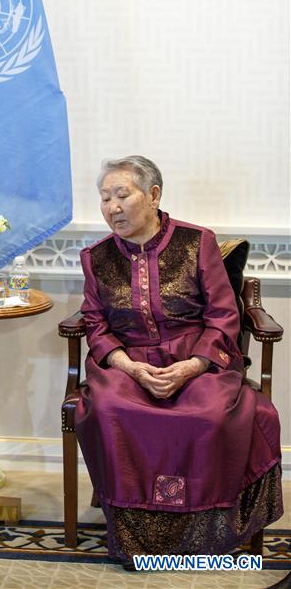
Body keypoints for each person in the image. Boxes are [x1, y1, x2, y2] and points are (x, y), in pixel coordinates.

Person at [75, 155, 282, 565]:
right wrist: (131, 368)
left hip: (197, 357)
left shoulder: (196, 241)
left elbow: (224, 314)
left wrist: (193, 365)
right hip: (127, 362)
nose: (112, 207)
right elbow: (95, 325)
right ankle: (138, 538)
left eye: (122, 195)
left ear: (153, 195)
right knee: (111, 408)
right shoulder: (96, 257)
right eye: (104, 198)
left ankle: (203, 536)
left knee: (210, 414)